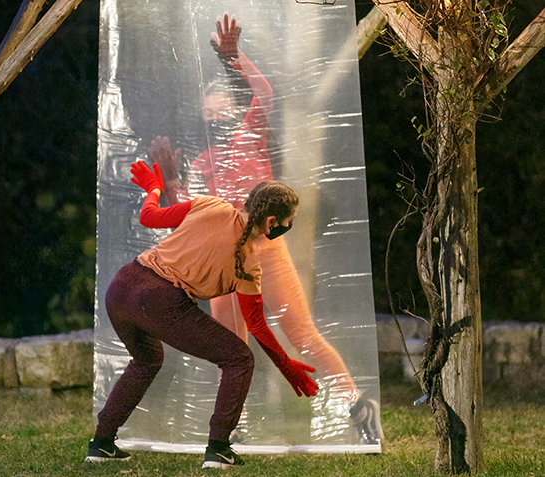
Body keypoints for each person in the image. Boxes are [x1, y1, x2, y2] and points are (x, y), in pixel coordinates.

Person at [149, 12, 382, 445]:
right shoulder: (205, 163)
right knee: (230, 347)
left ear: (233, 108)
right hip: (223, 261)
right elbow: (189, 215)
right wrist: (170, 181)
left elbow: (266, 95)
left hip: (262, 253)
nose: (214, 116)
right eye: (208, 112)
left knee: (301, 333)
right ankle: (226, 433)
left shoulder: (250, 134)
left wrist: (236, 59)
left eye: (220, 107)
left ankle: (356, 408)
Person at [86, 160, 318, 468]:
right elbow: (258, 327)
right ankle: (219, 448)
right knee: (239, 359)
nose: (289, 228)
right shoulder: (248, 266)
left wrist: (154, 189)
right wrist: (285, 364)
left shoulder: (212, 205)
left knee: (147, 360)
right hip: (160, 301)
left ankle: (101, 443)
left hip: (122, 287)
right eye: (290, 222)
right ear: (272, 223)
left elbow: (149, 217)